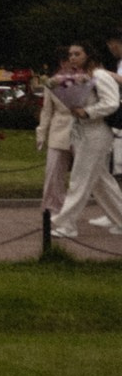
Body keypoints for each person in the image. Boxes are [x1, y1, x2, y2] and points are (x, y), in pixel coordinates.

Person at [48, 41, 122, 241]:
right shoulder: (79, 78)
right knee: (100, 182)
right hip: (82, 132)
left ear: (88, 55)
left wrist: (88, 112)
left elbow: (111, 102)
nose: (72, 58)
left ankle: (66, 224)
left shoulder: (100, 75)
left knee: (79, 179)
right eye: (70, 54)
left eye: (77, 54)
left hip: (97, 132)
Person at [36, 45, 95, 236]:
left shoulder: (88, 79)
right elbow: (46, 111)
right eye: (66, 59)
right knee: (53, 174)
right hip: (59, 130)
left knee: (89, 176)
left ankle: (110, 212)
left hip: (82, 130)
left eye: (73, 57)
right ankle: (54, 211)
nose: (69, 62)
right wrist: (41, 134)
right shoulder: (52, 83)